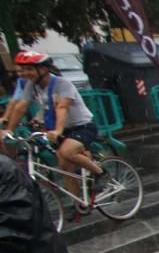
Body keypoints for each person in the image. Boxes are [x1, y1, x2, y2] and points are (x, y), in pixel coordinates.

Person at [3, 51, 104, 211]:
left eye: (29, 69)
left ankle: (100, 173)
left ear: (43, 69)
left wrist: (57, 130)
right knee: (66, 167)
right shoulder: (32, 85)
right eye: (23, 69)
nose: (25, 73)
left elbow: (62, 107)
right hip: (61, 129)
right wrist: (8, 129)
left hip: (82, 126)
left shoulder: (62, 84)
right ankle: (78, 203)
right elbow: (21, 106)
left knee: (67, 151)